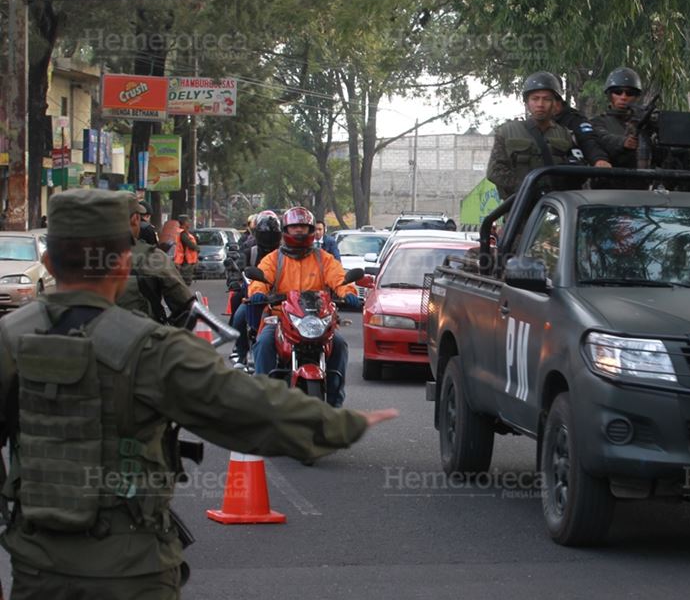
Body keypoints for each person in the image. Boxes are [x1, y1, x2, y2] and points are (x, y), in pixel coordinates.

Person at [0, 189, 397, 599]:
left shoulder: (9, 338)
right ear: (122, 264)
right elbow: (246, 410)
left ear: (48, 263)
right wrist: (343, 424)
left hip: (37, 573)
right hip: (134, 573)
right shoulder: (153, 348)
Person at [248, 206, 362, 407]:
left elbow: (340, 278)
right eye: (294, 227)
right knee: (264, 343)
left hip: (317, 321)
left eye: (303, 226)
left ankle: (335, 403)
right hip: (281, 319)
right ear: (286, 230)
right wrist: (257, 292)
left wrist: (349, 293)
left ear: (311, 230)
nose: (299, 231)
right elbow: (261, 278)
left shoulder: (323, 258)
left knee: (340, 345)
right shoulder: (274, 258)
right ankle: (262, 401)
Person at [486, 71, 575, 200]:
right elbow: (495, 172)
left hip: (556, 207)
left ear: (555, 103)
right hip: (519, 207)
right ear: (527, 103)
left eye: (546, 99)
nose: (540, 104)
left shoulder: (565, 135)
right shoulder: (506, 132)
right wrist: (526, 189)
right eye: (535, 98)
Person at [117, 194, 195, 325]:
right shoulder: (153, 258)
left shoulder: (82, 257)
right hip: (142, 338)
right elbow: (187, 308)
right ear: (136, 219)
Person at [227, 210, 282, 368]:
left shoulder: (286, 254)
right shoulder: (250, 252)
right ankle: (241, 352)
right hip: (255, 297)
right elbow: (238, 269)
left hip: (283, 299)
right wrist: (235, 281)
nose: (269, 237)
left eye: (272, 234)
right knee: (238, 317)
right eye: (265, 233)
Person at [173, 214, 199, 285]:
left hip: (184, 260)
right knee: (186, 281)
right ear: (184, 222)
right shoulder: (183, 233)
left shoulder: (183, 232)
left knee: (185, 280)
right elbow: (189, 244)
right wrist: (197, 248)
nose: (189, 223)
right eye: (188, 221)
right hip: (185, 260)